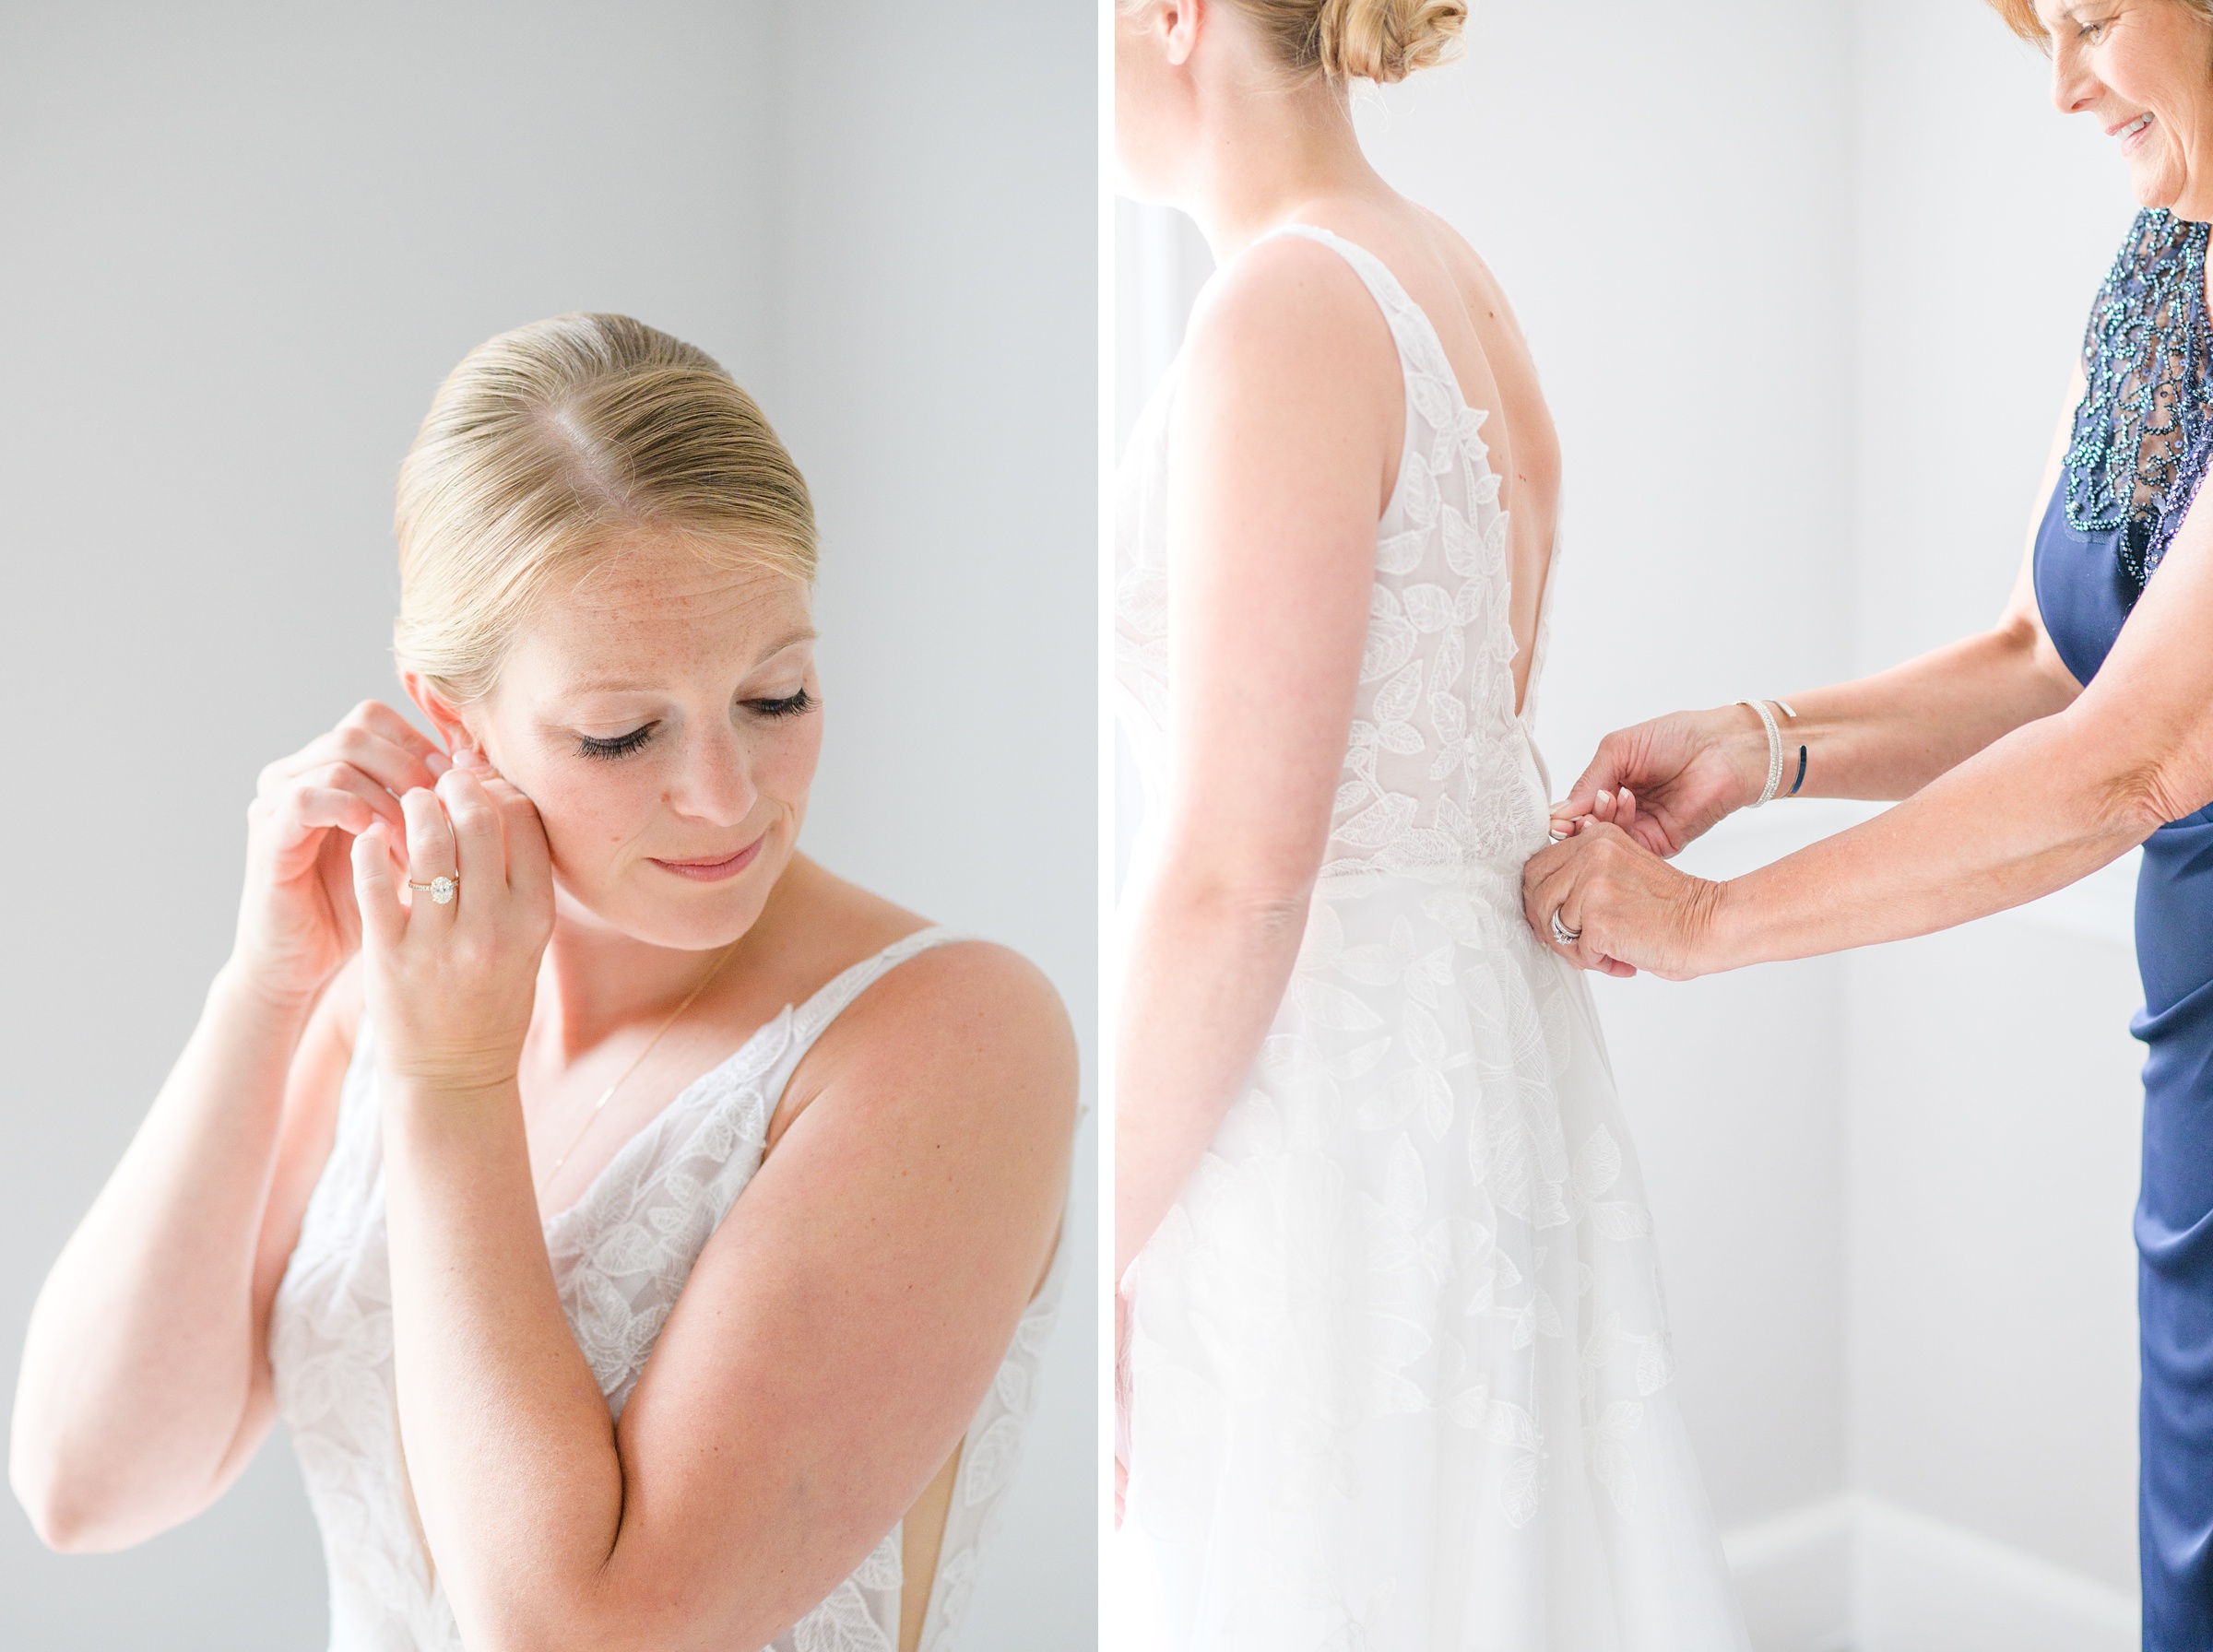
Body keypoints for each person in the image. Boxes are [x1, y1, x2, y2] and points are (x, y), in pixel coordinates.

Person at [9, 313, 1077, 1652]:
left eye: (778, 697)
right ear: (453, 719)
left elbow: (578, 1633)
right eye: (623, 733)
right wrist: (265, 994)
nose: (724, 796)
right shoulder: (375, 1007)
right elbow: (85, 1484)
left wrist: (454, 1088)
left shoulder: (949, 1039)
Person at [1522, 0, 2213, 1640]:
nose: (2059, 87)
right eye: (2032, 28)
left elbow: (2145, 753)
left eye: (2093, 16)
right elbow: (2050, 649)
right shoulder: (2169, 258)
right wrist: (1759, 745)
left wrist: (1709, 924)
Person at [1111, 3, 1749, 1645]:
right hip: (1479, 1065)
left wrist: (1082, 1240)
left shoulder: (1282, 310)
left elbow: (1246, 874)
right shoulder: (1447, 275)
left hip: (1315, 1095)